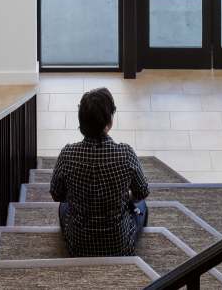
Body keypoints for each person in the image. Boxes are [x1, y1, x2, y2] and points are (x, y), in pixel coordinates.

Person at [50, 87, 150, 257]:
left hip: (78, 245)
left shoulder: (67, 154)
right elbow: (142, 191)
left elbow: (57, 195)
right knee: (142, 206)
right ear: (109, 122)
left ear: (81, 122)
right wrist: (124, 198)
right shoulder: (125, 154)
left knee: (63, 206)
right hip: (119, 245)